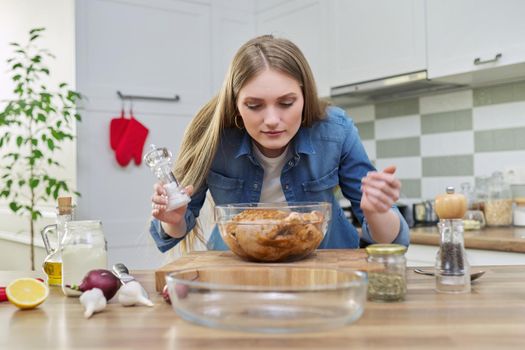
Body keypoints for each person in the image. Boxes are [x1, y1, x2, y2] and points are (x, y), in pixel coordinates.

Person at [149, 35, 409, 253]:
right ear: (236, 105)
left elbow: (391, 242)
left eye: (286, 103)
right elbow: (172, 232)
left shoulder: (335, 131)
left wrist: (378, 212)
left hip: (327, 269)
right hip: (237, 273)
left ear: (305, 97)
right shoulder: (213, 136)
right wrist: (173, 220)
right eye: (254, 105)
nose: (272, 120)